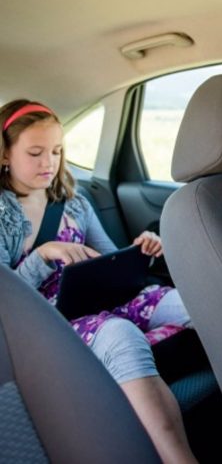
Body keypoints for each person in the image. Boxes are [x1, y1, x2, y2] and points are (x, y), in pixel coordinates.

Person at [0, 100, 197, 464]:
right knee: (119, 332)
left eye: (57, 151)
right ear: (5, 154)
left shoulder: (74, 202)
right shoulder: (2, 214)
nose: (49, 162)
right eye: (35, 153)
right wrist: (43, 255)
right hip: (50, 322)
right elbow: (5, 301)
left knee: (197, 305)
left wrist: (141, 251)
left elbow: (109, 258)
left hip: (101, 299)